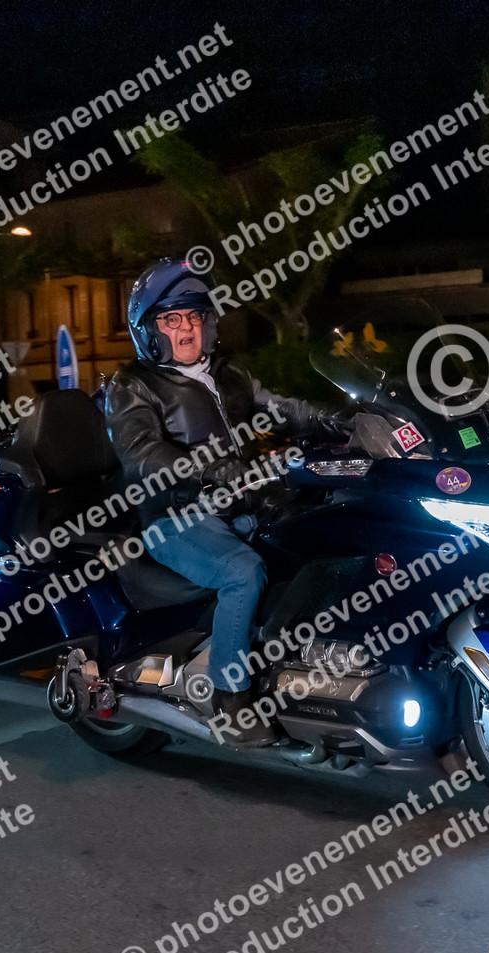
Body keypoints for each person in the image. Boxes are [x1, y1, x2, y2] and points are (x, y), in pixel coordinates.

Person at [103, 258, 351, 746]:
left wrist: (346, 421)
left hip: (244, 504)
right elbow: (140, 453)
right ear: (149, 329)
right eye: (172, 319)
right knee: (242, 573)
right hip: (176, 517)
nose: (187, 328)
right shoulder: (132, 386)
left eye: (195, 316)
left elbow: (284, 408)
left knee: (323, 537)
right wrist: (206, 467)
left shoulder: (229, 373)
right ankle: (229, 699)